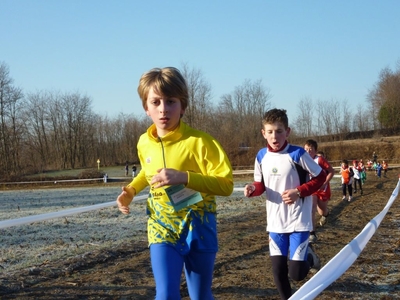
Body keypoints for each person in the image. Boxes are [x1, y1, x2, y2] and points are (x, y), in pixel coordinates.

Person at [116, 67, 233, 300]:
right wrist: (130, 191)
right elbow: (148, 175)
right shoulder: (143, 142)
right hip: (162, 226)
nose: (163, 109)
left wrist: (185, 177)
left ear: (183, 105)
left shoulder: (201, 142)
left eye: (170, 101)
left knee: (200, 295)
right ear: (146, 108)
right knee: (166, 294)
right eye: (156, 102)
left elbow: (226, 185)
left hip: (199, 224)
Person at [243, 108, 326, 300]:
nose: (275, 136)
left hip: (298, 221)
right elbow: (260, 184)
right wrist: (252, 189)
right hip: (275, 223)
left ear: (287, 132)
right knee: (278, 271)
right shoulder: (261, 156)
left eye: (279, 131)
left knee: (295, 274)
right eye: (270, 132)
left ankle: (310, 258)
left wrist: (299, 191)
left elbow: (320, 177)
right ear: (263, 133)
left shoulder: (297, 154)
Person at [304, 140, 335, 243]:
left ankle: (326, 214)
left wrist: (325, 183)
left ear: (315, 151)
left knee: (321, 210)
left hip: (323, 188)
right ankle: (312, 233)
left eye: (310, 149)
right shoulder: (302, 160)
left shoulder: (320, 160)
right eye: (306, 149)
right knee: (311, 209)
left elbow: (331, 171)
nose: (308, 152)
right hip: (312, 189)